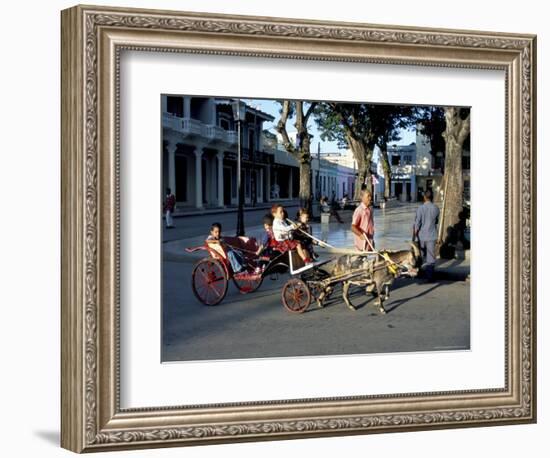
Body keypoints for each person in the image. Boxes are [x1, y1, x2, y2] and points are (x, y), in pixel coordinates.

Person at [413, 189, 440, 281]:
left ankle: (419, 272)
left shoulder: (420, 208)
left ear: (424, 197)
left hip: (422, 236)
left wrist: (414, 234)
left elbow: (417, 223)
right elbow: (436, 221)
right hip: (432, 235)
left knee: (420, 255)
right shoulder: (436, 208)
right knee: (430, 257)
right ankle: (430, 276)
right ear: (431, 197)